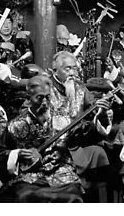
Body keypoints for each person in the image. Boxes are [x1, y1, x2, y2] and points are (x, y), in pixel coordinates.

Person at [0, 75, 84, 202]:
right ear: (29, 98)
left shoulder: (63, 118)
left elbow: (83, 133)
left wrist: (102, 118)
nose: (45, 103)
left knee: (73, 196)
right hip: (30, 177)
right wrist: (17, 154)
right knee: (24, 195)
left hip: (61, 174)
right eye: (39, 98)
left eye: (47, 97)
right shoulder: (17, 124)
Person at [48, 51, 116, 186]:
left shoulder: (79, 87)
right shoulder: (46, 87)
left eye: (74, 68)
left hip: (76, 140)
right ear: (55, 70)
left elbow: (93, 108)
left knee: (100, 152)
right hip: (53, 143)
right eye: (67, 69)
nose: (72, 73)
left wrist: (102, 111)